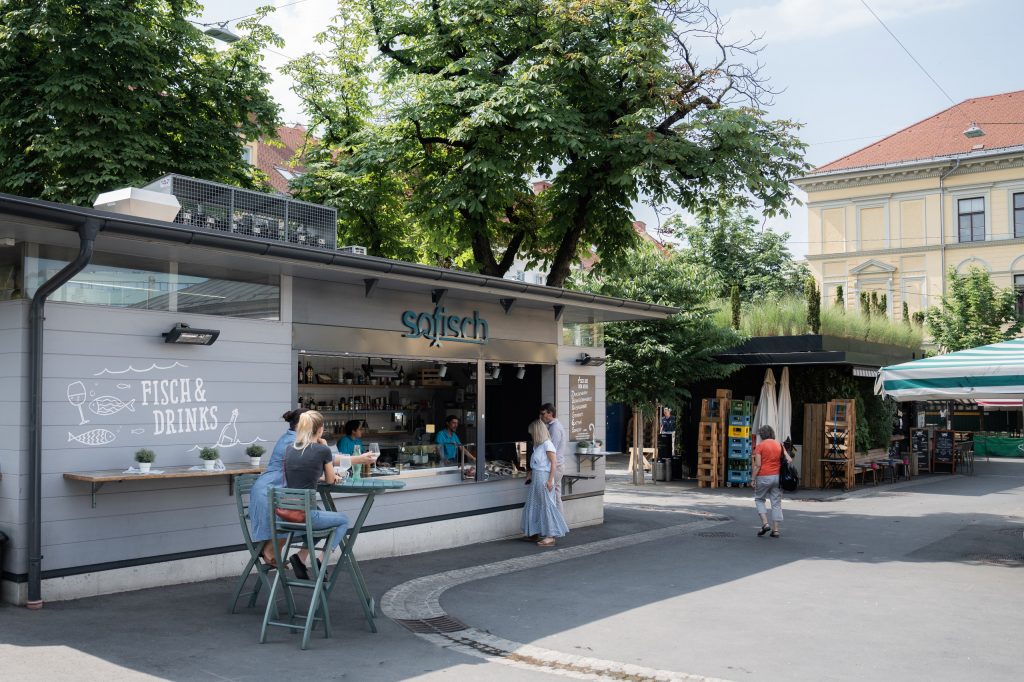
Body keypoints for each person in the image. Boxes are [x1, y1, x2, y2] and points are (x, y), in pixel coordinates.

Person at [282, 411, 352, 579]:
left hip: (287, 513)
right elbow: (329, 480)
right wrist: (325, 447)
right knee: (343, 520)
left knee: (319, 518)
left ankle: (300, 557)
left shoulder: (290, 449)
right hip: (307, 515)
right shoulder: (322, 450)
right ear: (320, 429)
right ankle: (322, 560)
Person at [249, 408, 306, 567]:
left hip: (275, 489)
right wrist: (357, 459)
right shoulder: (294, 441)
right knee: (295, 515)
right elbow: (320, 456)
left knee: (301, 512)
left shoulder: (294, 438)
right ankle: (270, 552)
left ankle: (274, 551)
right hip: (268, 492)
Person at [521, 419, 570, 547]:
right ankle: (534, 532)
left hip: (544, 478)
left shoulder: (547, 445)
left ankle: (550, 536)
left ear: (537, 432)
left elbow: (554, 463)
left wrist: (550, 480)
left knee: (547, 505)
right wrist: (531, 474)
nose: (531, 435)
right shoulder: (537, 445)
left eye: (532, 433)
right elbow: (537, 463)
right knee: (535, 504)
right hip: (537, 477)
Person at [752, 424, 793, 538]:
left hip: (763, 476)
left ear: (762, 435)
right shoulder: (780, 445)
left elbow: (758, 465)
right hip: (777, 477)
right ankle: (776, 531)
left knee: (759, 499)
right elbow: (789, 460)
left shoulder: (760, 446)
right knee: (776, 503)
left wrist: (753, 479)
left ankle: (765, 524)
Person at [539, 403, 567, 511]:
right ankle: (559, 524)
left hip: (555, 466)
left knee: (552, 496)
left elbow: (551, 451)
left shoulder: (554, 428)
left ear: (550, 413)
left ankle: (557, 524)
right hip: (558, 465)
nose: (541, 417)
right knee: (556, 495)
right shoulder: (554, 426)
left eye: (543, 414)